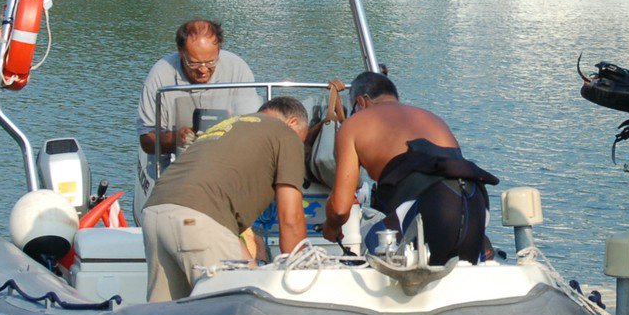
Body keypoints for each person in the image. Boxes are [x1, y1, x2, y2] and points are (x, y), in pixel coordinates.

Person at [140, 97, 311, 302]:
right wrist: (301, 281)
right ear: (293, 123)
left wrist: (252, 268)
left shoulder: (228, 127)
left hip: (155, 212)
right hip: (198, 219)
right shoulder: (285, 134)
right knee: (234, 309)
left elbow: (220, 220)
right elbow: (290, 220)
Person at [325, 72, 498, 265]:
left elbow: (340, 209)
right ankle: (482, 249)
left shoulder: (354, 124)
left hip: (434, 206)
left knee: (374, 239)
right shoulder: (429, 117)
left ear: (361, 102)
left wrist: (331, 227)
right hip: (476, 203)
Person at [138, 19, 261, 159]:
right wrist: (176, 138)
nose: (203, 70)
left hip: (226, 158)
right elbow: (146, 140)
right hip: (174, 161)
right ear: (180, 52)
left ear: (219, 50)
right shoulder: (159, 75)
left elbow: (252, 125)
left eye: (211, 62)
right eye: (194, 63)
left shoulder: (238, 68)